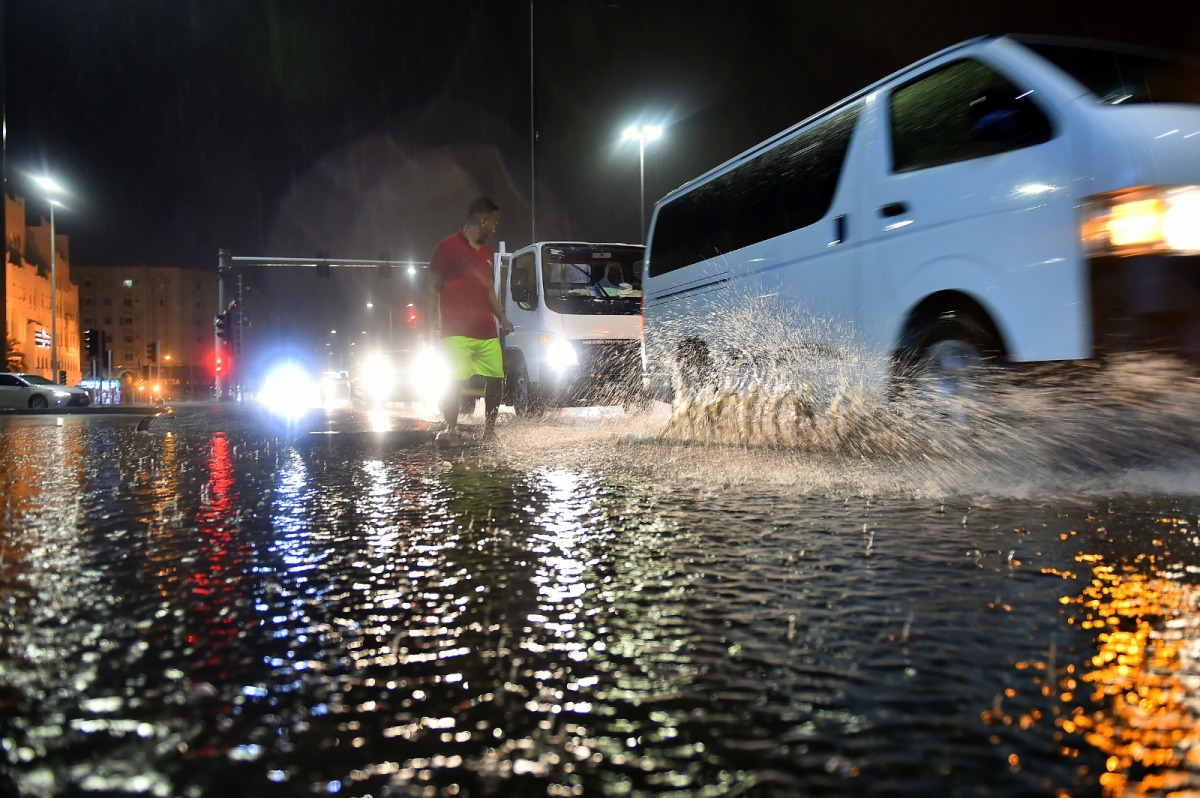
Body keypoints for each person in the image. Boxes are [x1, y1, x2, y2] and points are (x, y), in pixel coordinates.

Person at [427, 196, 513, 444]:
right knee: (454, 383)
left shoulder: (487, 251)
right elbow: (433, 288)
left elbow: (488, 290)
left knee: (496, 379)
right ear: (483, 220)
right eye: (493, 223)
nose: (495, 228)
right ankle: (450, 428)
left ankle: (490, 430)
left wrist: (503, 318)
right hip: (455, 332)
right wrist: (428, 328)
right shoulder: (446, 247)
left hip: (486, 331)